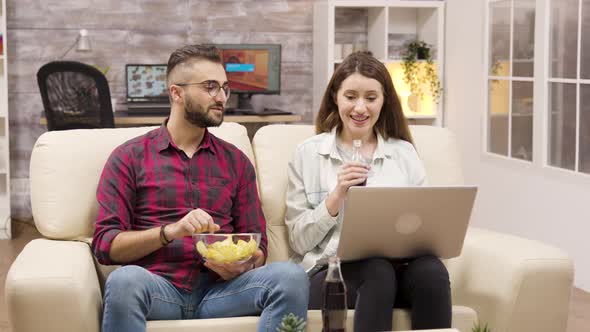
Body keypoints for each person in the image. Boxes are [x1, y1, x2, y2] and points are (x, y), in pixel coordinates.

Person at [92, 44, 308, 332]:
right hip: (158, 290)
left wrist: (245, 263)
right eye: (210, 87)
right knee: (124, 280)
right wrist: (170, 232)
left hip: (222, 292)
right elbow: (106, 245)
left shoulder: (236, 162)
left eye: (224, 88)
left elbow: (259, 246)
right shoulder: (129, 157)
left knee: (290, 276)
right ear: (176, 93)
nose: (221, 97)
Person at [285, 51, 451, 332]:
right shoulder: (309, 154)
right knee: (376, 270)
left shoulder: (404, 153)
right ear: (335, 97)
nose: (360, 108)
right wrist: (336, 196)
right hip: (330, 275)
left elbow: (425, 229)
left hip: (399, 271)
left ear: (384, 101)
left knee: (432, 271)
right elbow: (299, 241)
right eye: (351, 96)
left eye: (371, 98)